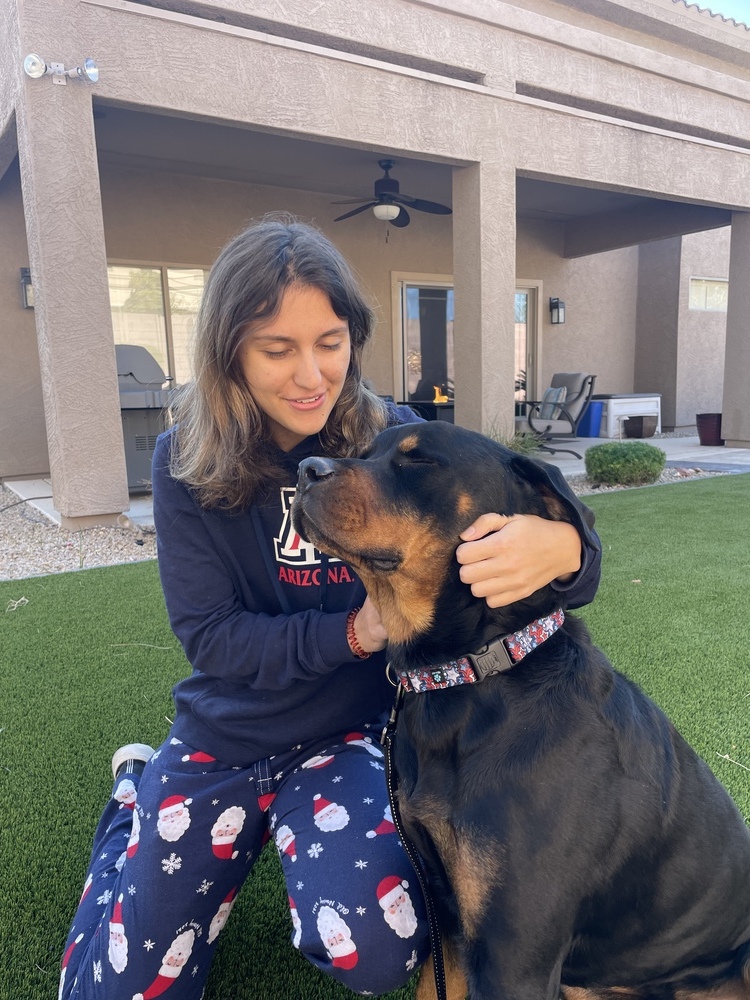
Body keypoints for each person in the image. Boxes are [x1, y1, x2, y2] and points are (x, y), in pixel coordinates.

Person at [59, 217, 601, 999]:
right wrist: (356, 630)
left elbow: (536, 529)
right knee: (112, 991)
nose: (312, 374)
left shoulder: (395, 441)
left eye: (332, 341)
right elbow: (212, 638)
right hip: (229, 738)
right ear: (229, 352)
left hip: (356, 735)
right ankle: (131, 806)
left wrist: (567, 550)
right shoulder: (184, 463)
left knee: (378, 949)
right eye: (277, 349)